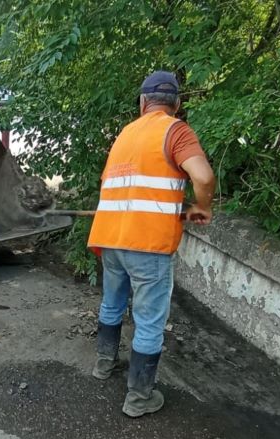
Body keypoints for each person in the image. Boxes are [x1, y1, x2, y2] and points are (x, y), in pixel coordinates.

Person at [87, 70, 215, 417]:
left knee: (112, 303)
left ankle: (103, 364)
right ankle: (139, 397)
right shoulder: (175, 130)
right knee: (149, 321)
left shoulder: (125, 134)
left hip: (110, 238)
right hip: (148, 244)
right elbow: (202, 176)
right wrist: (202, 208)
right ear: (177, 103)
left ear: (143, 102)